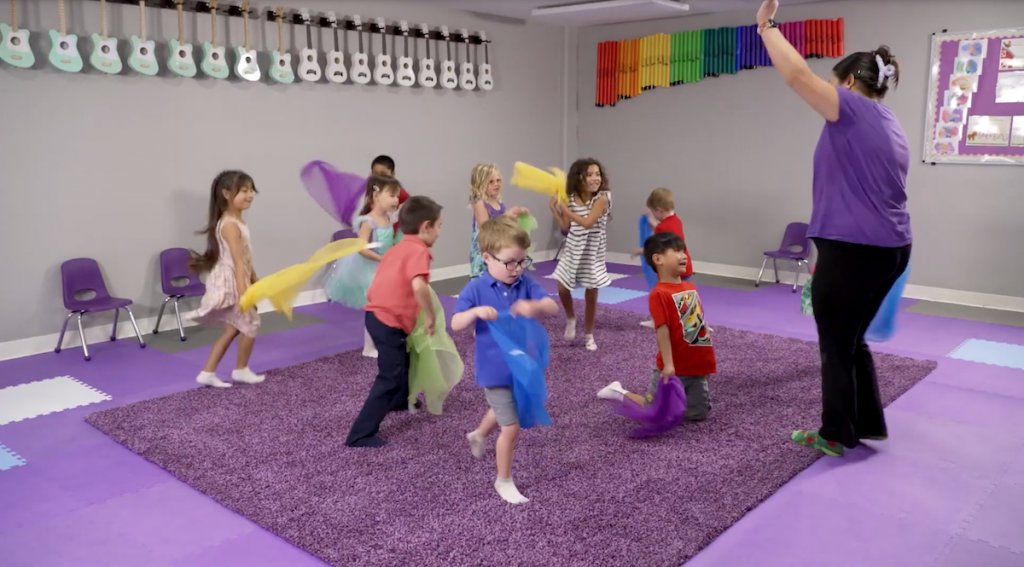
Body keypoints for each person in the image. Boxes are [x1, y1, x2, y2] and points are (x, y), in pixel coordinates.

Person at [756, 0, 912, 456]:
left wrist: (766, 27)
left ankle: (835, 434)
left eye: (832, 85)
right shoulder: (890, 121)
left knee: (834, 345)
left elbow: (797, 76)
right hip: (890, 248)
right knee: (851, 339)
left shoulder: (852, 110)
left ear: (847, 83)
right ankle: (866, 425)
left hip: (855, 250)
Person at [452, 216, 558, 503]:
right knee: (510, 426)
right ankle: (504, 480)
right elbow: (456, 323)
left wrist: (533, 305)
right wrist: (475, 313)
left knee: (506, 409)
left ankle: (477, 434)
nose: (517, 269)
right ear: (486, 258)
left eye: (522, 261)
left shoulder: (524, 282)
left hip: (522, 366)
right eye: (510, 262)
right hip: (494, 371)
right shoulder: (476, 289)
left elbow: (551, 305)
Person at [345, 196, 444, 448]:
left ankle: (400, 399)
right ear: (425, 227)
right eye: (439, 226)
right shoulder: (419, 251)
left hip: (377, 317)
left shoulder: (397, 248)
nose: (440, 233)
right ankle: (360, 433)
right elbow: (418, 285)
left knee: (404, 359)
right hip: (388, 322)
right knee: (388, 376)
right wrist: (430, 315)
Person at [598, 232, 714, 429]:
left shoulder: (690, 287)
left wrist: (704, 332)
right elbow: (663, 331)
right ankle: (618, 391)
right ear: (658, 259)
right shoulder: (659, 294)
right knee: (653, 412)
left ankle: (681, 399)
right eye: (676, 251)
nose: (684, 255)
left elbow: (693, 322)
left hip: (697, 365)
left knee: (697, 415)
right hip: (674, 367)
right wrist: (668, 365)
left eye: (683, 250)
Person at [190, 171, 266, 388]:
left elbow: (244, 256)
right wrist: (245, 290)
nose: (250, 195)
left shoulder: (238, 221)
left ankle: (208, 372)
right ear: (226, 193)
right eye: (244, 191)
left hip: (237, 276)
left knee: (233, 329)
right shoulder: (230, 224)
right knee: (250, 324)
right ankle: (240, 369)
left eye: (251, 190)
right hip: (231, 280)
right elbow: (236, 260)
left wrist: (253, 277)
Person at [324, 175, 403, 358]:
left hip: (384, 267)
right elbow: (361, 247)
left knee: (389, 305)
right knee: (374, 307)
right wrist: (380, 259)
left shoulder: (389, 218)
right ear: (376, 196)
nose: (396, 200)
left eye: (397, 196)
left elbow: (393, 234)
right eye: (391, 195)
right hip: (370, 268)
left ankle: (387, 337)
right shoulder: (368, 221)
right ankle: (369, 347)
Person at [552, 158, 612, 352]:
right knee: (561, 287)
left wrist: (566, 210)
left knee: (591, 295)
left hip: (592, 253)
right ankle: (571, 317)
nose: (596, 178)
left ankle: (589, 335)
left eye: (598, 174)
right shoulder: (571, 198)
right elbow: (565, 226)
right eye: (590, 174)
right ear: (579, 178)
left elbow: (587, 222)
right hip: (573, 249)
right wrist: (555, 208)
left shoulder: (603, 198)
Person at [633, 188, 693, 327]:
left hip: (671, 269)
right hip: (684, 265)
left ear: (659, 210)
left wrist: (641, 250)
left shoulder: (662, 228)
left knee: (661, 297)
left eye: (654, 212)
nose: (654, 215)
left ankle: (658, 321)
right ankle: (693, 322)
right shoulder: (677, 221)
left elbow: (657, 247)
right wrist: (653, 223)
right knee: (685, 296)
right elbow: (665, 231)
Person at [468, 163, 529, 279]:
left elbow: (502, 225)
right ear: (481, 183)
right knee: (484, 279)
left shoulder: (497, 203)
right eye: (491, 182)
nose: (496, 184)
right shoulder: (479, 203)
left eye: (498, 180)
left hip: (498, 246)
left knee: (499, 276)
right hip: (484, 249)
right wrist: (508, 215)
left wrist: (515, 218)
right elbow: (486, 227)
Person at [370, 155, 410, 233]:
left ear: (392, 174)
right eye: (375, 174)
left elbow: (408, 216)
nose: (379, 177)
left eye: (383, 174)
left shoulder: (401, 195)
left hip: (394, 234)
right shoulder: (372, 193)